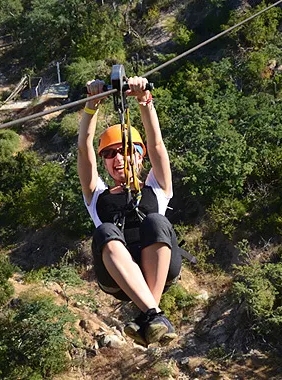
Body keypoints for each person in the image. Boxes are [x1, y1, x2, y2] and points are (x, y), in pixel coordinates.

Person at [78, 76, 182, 346]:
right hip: (116, 277)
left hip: (159, 266)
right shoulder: (96, 196)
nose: (118, 158)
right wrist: (92, 106)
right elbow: (83, 148)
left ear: (140, 155)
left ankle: (149, 314)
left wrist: (144, 101)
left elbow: (157, 144)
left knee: (155, 221)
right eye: (109, 154)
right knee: (106, 231)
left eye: (125, 150)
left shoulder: (157, 186)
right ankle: (155, 315)